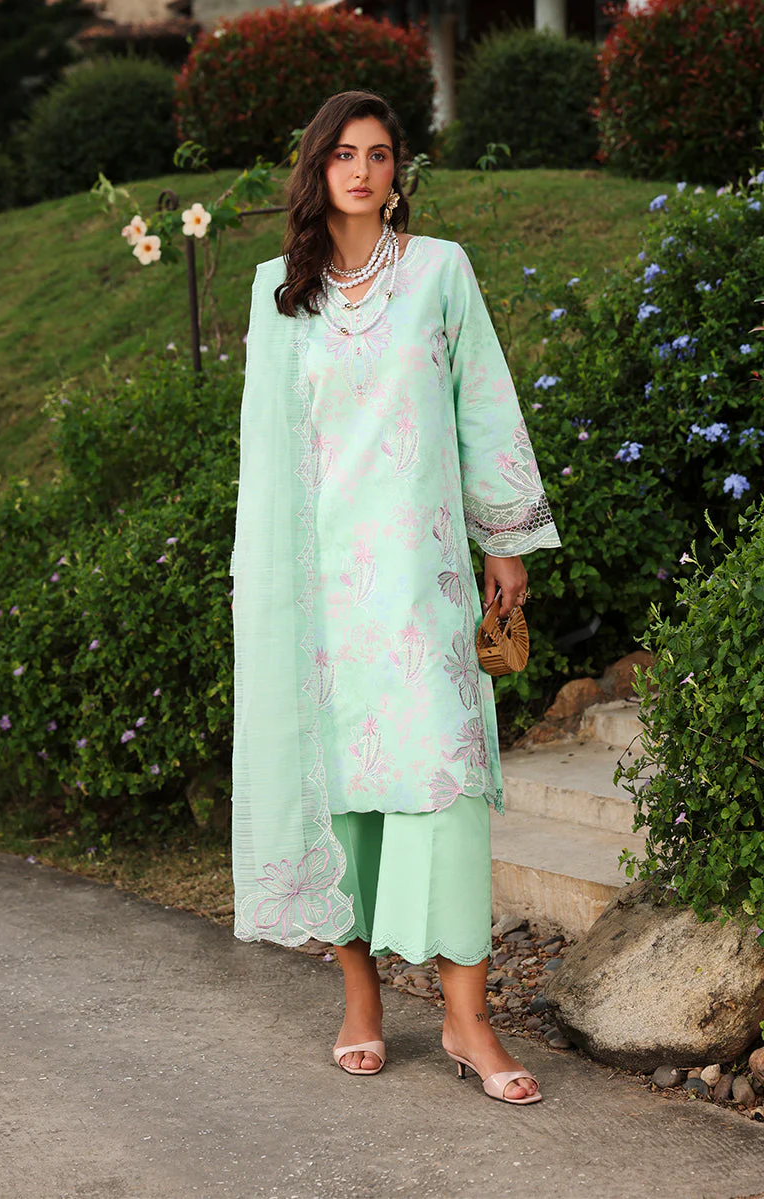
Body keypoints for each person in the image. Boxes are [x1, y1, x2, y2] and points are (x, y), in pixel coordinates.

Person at [230, 90, 560, 1106]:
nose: (362, 171)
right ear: (317, 168)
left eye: (378, 155)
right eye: (343, 154)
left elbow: (484, 401)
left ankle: (466, 1018)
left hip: (424, 580)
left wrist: (504, 537)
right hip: (322, 590)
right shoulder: (278, 291)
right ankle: (360, 997)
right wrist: (262, 585)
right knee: (339, 791)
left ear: (397, 171)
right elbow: (262, 450)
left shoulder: (440, 271)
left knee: (447, 783)